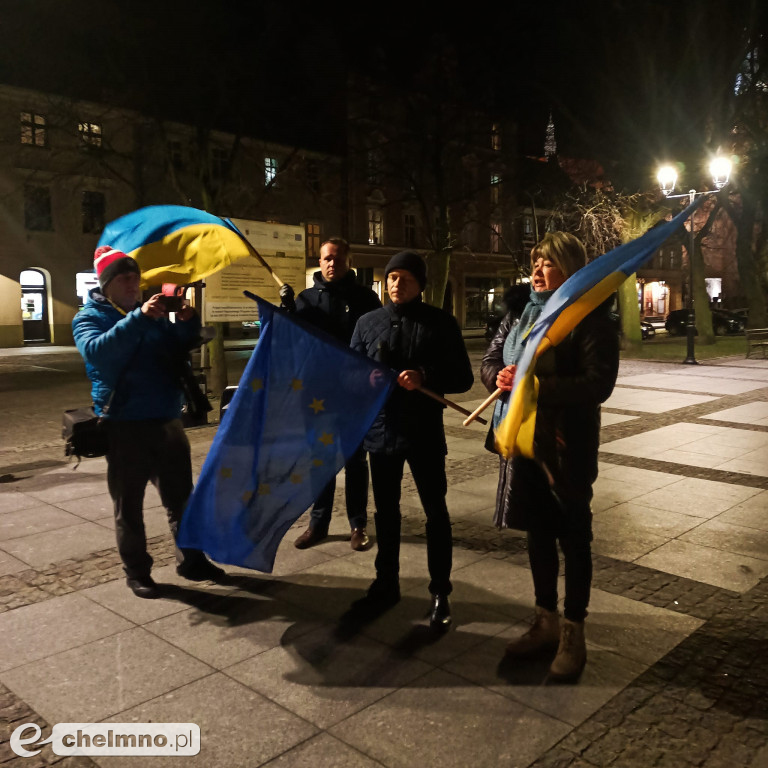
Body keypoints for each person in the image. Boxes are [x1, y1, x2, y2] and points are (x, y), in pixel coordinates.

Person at [480, 232, 619, 681]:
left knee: (573, 537)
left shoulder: (589, 317)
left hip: (565, 445)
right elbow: (489, 360)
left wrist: (536, 386)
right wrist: (499, 376)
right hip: (520, 440)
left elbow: (598, 383)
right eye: (536, 262)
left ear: (571, 269)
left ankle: (573, 632)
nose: (537, 270)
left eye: (548, 263)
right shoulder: (520, 313)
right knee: (537, 531)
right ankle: (545, 621)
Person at [73, 245, 226, 599]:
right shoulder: (89, 317)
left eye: (135, 277)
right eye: (124, 278)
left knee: (182, 499)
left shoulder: (149, 314)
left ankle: (192, 561)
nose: (133, 284)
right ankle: (137, 572)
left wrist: (187, 324)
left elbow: (175, 346)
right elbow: (98, 353)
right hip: (124, 423)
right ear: (106, 283)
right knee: (129, 506)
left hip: (167, 419)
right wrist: (139, 318)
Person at [349, 251, 474, 629]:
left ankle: (440, 591)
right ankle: (386, 581)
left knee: (436, 512)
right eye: (392, 277)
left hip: (424, 433)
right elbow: (351, 374)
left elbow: (463, 378)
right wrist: (366, 379)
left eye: (405, 278)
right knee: (386, 512)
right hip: (382, 432)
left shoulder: (441, 323)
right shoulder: (367, 323)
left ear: (420, 284)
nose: (396, 284)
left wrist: (424, 376)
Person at [279, 237, 382, 551]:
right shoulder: (306, 300)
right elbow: (291, 341)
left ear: (349, 261)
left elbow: (377, 341)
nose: (331, 263)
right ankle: (318, 523)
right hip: (318, 394)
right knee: (319, 460)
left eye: (337, 258)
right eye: (326, 258)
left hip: (355, 394)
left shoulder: (365, 298)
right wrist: (287, 310)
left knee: (355, 460)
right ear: (320, 261)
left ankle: (358, 524)